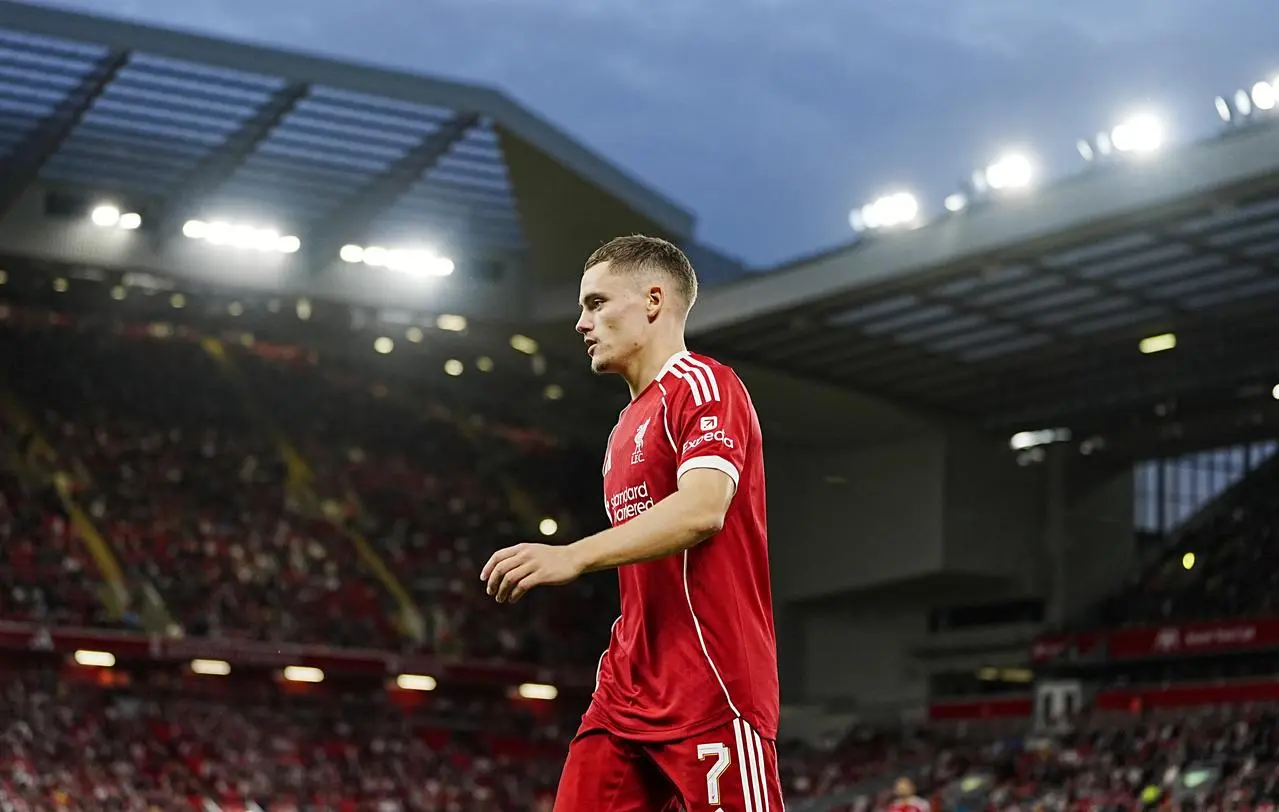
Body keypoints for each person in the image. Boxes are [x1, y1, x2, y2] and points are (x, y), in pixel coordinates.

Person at [481, 234, 783, 810]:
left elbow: (702, 509)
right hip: (626, 690)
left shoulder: (705, 386)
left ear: (652, 300)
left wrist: (573, 554)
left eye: (596, 303)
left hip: (711, 683)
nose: (580, 323)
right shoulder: (622, 430)